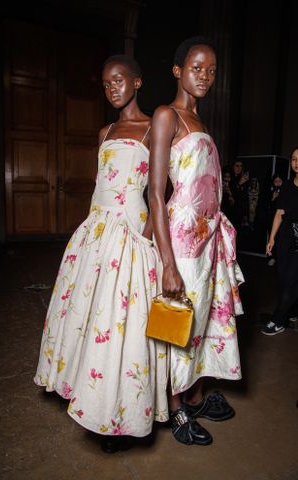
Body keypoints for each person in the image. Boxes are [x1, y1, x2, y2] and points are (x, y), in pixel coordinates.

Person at [34, 54, 168, 453]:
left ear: (138, 82)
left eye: (119, 80)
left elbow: (162, 190)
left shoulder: (151, 128)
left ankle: (119, 413)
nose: (112, 88)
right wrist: (89, 232)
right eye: (106, 83)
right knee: (86, 315)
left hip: (129, 234)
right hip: (96, 230)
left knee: (120, 323)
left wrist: (145, 237)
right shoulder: (104, 131)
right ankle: (87, 394)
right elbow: (100, 187)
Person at [149, 36, 244, 446]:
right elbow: (155, 192)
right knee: (178, 322)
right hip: (181, 239)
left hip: (208, 239)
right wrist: (167, 262)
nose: (205, 76)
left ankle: (196, 393)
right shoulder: (166, 115)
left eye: (211, 70)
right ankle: (175, 409)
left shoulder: (203, 122)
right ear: (177, 71)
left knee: (201, 318)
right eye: (196, 68)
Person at [261, 147, 298, 335]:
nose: (296, 163)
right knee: (284, 279)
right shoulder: (287, 186)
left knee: (292, 279)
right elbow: (279, 213)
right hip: (285, 237)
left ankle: (278, 320)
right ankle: (292, 310)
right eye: (293, 159)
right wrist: (272, 239)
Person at [266, 173, 284, 266]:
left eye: (279, 181)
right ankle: (272, 257)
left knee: (281, 239)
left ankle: (280, 258)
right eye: (275, 181)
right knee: (272, 238)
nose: (277, 183)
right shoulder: (270, 192)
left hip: (283, 220)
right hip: (272, 219)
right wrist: (273, 198)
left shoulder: (285, 192)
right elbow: (267, 206)